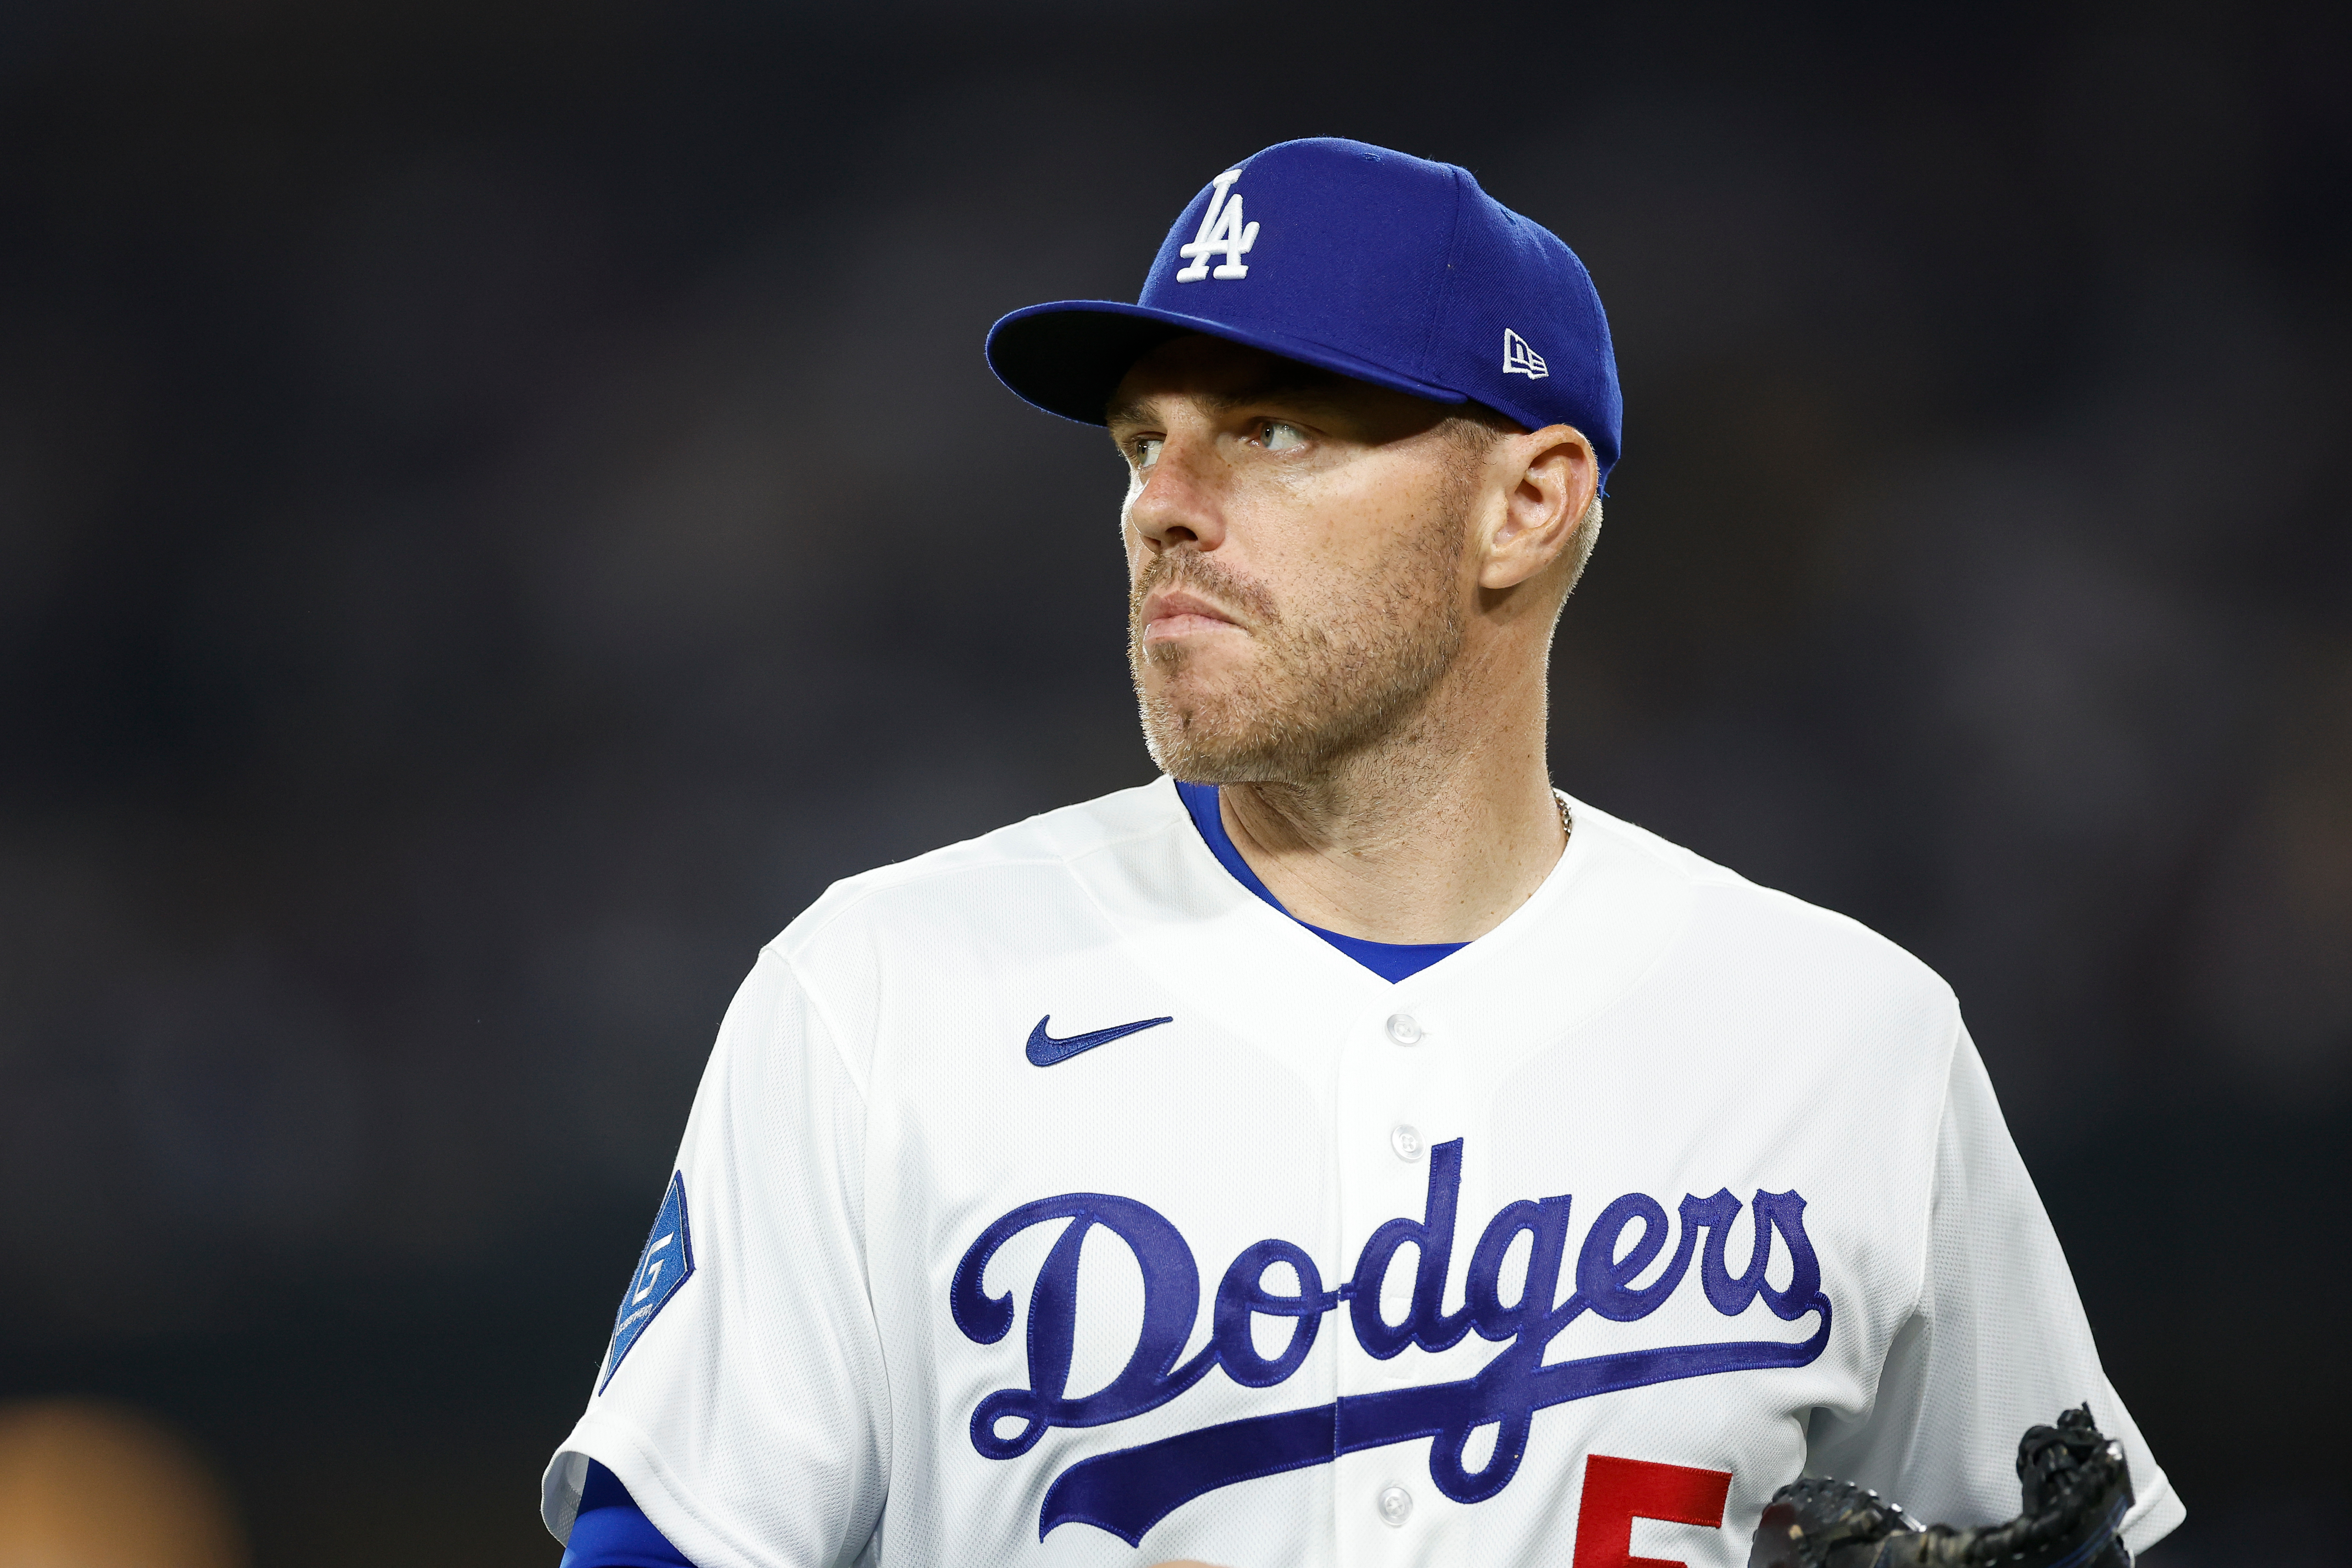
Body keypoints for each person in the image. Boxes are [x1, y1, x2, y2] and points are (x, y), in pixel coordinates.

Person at [540, 137, 2182, 1568]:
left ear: (1526, 506)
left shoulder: (1851, 1042)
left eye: (1270, 430)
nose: (1163, 503)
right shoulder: (882, 997)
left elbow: (2051, 1522)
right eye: (1140, 440)